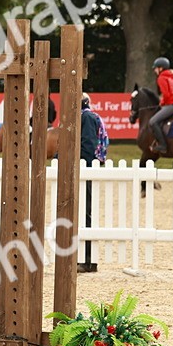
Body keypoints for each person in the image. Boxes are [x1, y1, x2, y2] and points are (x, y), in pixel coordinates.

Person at [78, 93, 108, 273]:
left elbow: (88, 145)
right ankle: (86, 258)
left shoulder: (86, 117)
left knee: (85, 213)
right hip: (86, 167)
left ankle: (88, 259)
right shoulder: (87, 116)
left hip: (85, 168)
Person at [149, 56, 173, 154]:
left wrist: (161, 103)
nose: (155, 71)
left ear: (161, 68)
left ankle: (163, 145)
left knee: (153, 122)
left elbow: (166, 95)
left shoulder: (162, 78)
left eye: (156, 68)